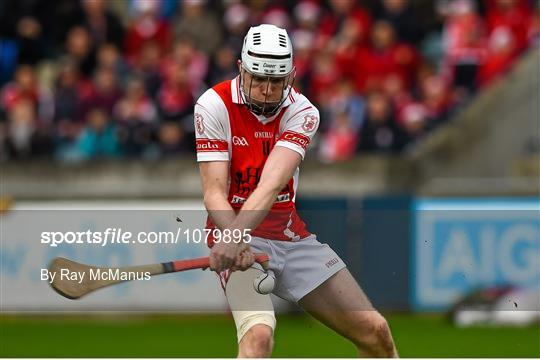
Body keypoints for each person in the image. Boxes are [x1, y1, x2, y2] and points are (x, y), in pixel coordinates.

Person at [194, 24, 399, 358]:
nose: (265, 90)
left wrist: (236, 235)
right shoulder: (213, 105)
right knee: (258, 337)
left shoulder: (303, 112)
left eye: (276, 82)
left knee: (376, 332)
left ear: (289, 78)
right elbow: (214, 191)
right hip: (233, 229)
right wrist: (233, 237)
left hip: (290, 238)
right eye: (257, 79)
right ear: (240, 69)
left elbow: (272, 184)